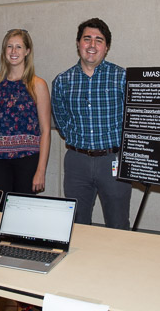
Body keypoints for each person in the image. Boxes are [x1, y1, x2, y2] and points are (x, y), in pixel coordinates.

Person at [52, 18, 131, 230]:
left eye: (99, 40)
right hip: (77, 162)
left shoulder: (122, 77)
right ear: (78, 44)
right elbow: (61, 119)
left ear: (106, 47)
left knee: (118, 223)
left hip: (113, 161)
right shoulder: (63, 81)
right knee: (77, 225)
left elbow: (131, 119)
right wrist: (77, 139)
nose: (92, 45)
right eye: (87, 39)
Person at [0, 29, 51, 201]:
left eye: (19, 47)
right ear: (4, 51)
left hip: (27, 161)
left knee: (22, 213)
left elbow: (46, 131)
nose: (14, 51)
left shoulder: (37, 85)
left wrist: (41, 170)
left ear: (27, 51)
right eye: (9, 46)